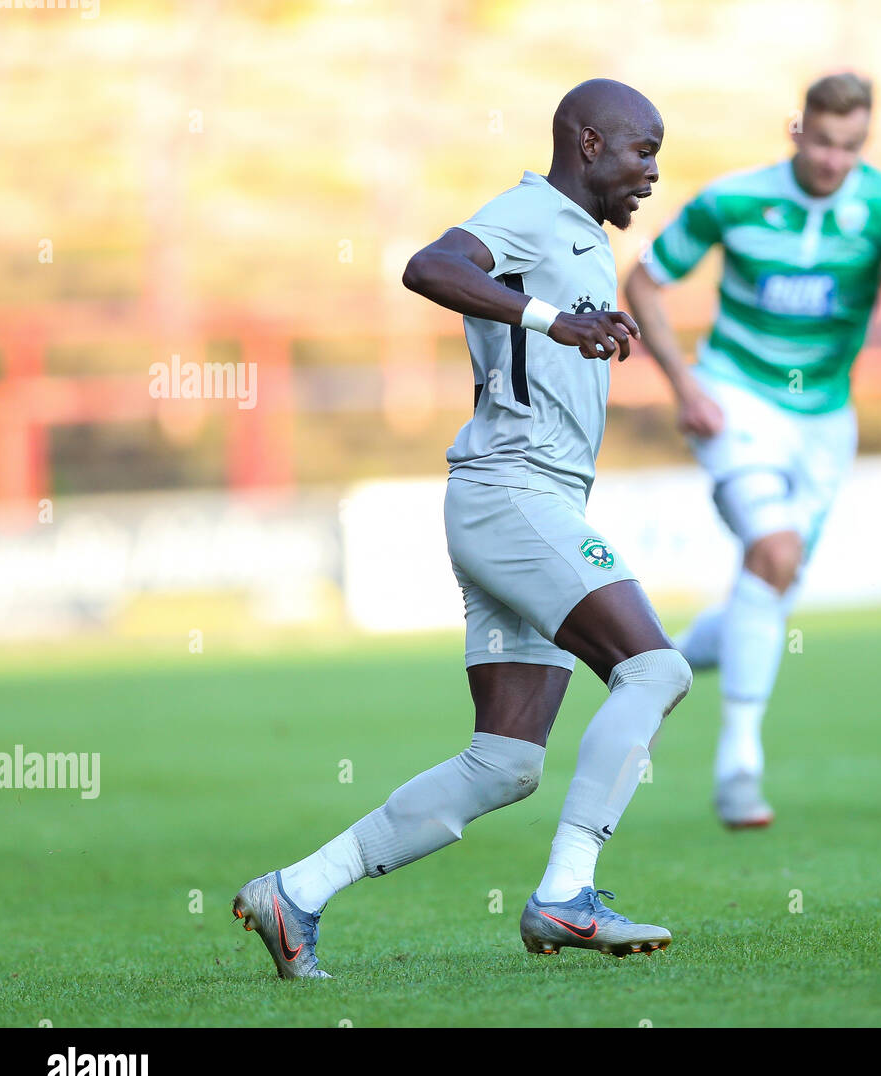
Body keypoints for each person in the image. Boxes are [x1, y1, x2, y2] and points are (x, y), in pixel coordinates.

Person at [233, 79, 692, 977]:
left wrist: (570, 321)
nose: (652, 172)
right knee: (656, 667)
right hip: (514, 492)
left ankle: (297, 890)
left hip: (520, 498)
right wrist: (556, 319)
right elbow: (430, 265)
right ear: (588, 142)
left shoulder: (582, 238)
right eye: (643, 150)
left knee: (505, 761)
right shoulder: (529, 211)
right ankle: (566, 895)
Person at [624, 72, 881, 828]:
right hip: (733, 397)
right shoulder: (732, 200)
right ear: (798, 129)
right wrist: (684, 386)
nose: (835, 160)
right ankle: (739, 767)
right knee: (773, 553)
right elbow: (642, 284)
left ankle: (666, 658)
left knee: (770, 588)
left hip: (823, 423)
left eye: (852, 146)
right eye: (825, 141)